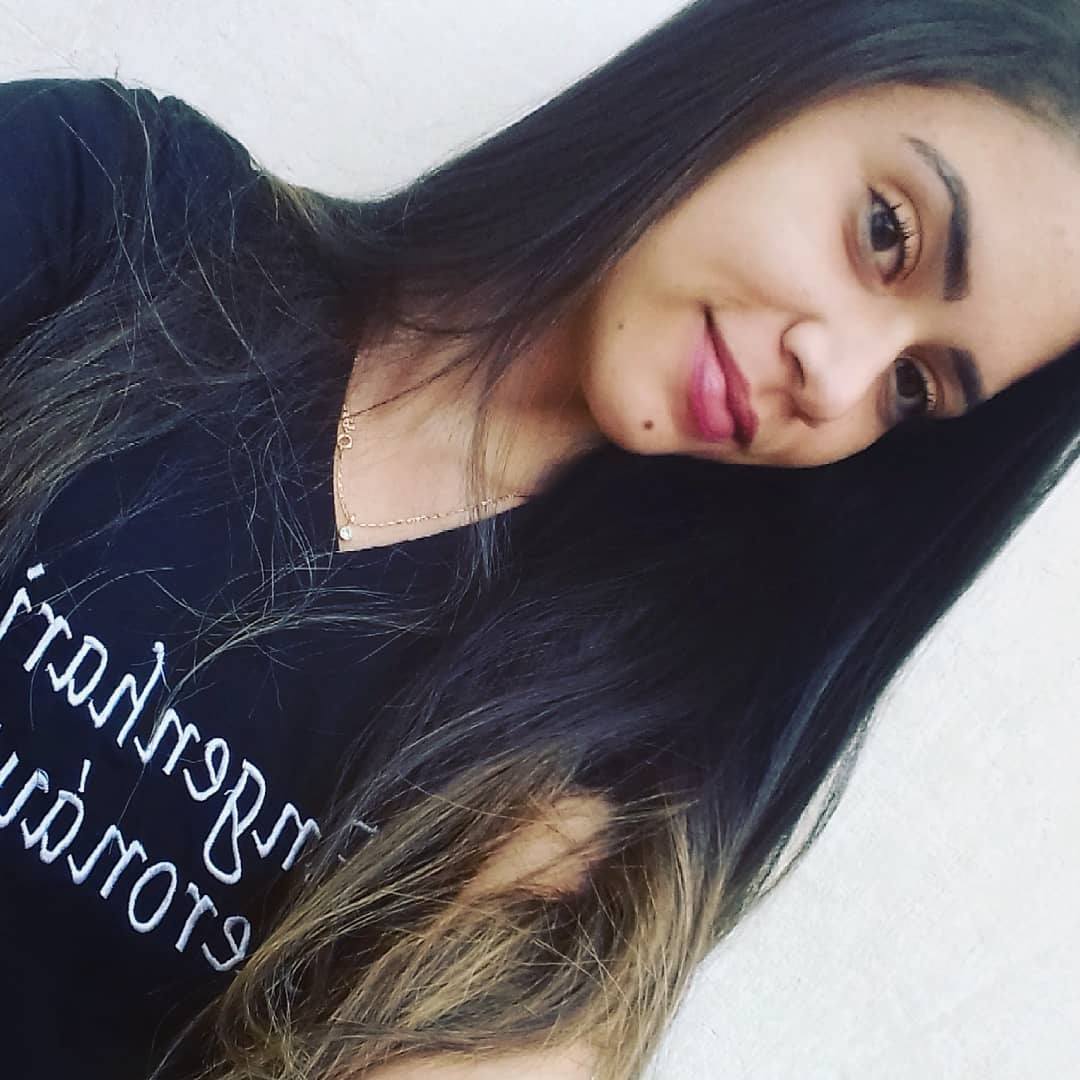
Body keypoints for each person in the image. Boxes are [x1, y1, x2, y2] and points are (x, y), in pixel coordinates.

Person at [1, 1, 1079, 1078]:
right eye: (887, 234)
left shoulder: (607, 791)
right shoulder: (113, 210)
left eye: (911, 386)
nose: (835, 384)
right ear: (779, 66)